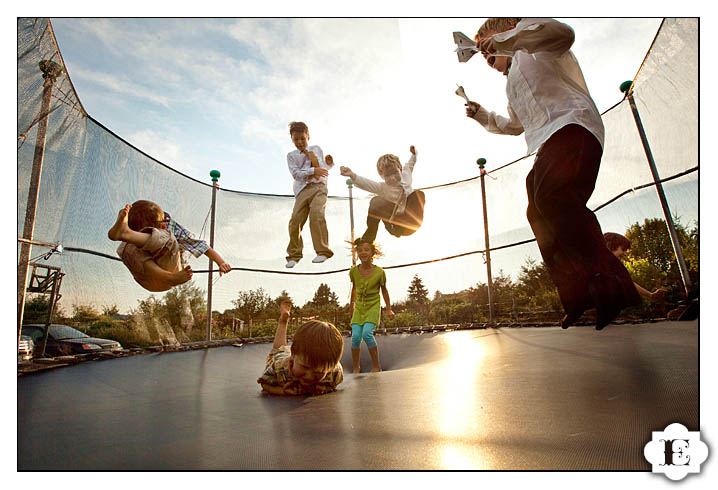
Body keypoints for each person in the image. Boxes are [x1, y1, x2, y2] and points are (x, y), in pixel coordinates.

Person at [464, 18, 640, 330]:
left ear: (508, 30)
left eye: (488, 45)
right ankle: (577, 294)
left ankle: (612, 285)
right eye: (484, 54)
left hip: (575, 127)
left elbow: (564, 33)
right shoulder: (511, 85)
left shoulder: (539, 46)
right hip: (548, 143)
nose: (487, 55)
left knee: (553, 197)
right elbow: (515, 125)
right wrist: (481, 115)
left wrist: (508, 38)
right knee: (538, 211)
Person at [108, 199, 231, 292]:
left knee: (168, 238)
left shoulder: (167, 225)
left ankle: (127, 234)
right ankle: (126, 234)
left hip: (170, 272)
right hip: (148, 279)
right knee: (126, 246)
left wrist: (221, 262)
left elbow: (201, 246)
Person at [257, 300, 344, 396]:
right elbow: (264, 384)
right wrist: (282, 391)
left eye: (317, 373)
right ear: (293, 356)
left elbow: (333, 385)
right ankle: (283, 322)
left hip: (297, 356)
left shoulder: (334, 373)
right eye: (304, 367)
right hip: (281, 356)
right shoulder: (278, 368)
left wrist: (325, 388)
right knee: (279, 348)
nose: (309, 377)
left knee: (283, 349)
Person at [340, 145, 425, 243]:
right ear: (382, 176)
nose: (392, 178)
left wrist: (414, 154)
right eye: (387, 175)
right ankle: (369, 237)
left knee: (419, 194)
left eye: (394, 173)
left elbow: (410, 164)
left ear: (400, 170)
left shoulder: (406, 175)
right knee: (376, 201)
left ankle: (413, 221)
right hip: (394, 224)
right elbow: (367, 184)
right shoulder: (382, 188)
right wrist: (353, 175)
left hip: (411, 222)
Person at [285, 121, 334, 268]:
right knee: (295, 222)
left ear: (308, 137)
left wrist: (329, 164)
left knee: (316, 214)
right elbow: (296, 174)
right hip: (302, 190)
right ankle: (294, 255)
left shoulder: (316, 149)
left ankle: (322, 251)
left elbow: (322, 168)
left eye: (302, 138)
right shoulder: (291, 156)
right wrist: (312, 171)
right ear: (292, 140)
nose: (299, 142)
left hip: (319, 187)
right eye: (296, 140)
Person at [348, 238, 395, 373]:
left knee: (367, 334)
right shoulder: (353, 272)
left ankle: (376, 366)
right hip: (359, 307)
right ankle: (356, 367)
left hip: (373, 305)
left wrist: (389, 309)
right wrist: (351, 306)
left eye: (366, 250)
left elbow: (384, 291)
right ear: (357, 253)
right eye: (360, 250)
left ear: (372, 253)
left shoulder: (379, 272)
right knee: (356, 336)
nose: (363, 252)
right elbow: (355, 289)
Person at [604, 232, 668, 302]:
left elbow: (628, 282)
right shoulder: (598, 265)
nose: (624, 254)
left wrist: (650, 295)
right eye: (623, 249)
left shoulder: (613, 267)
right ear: (611, 246)